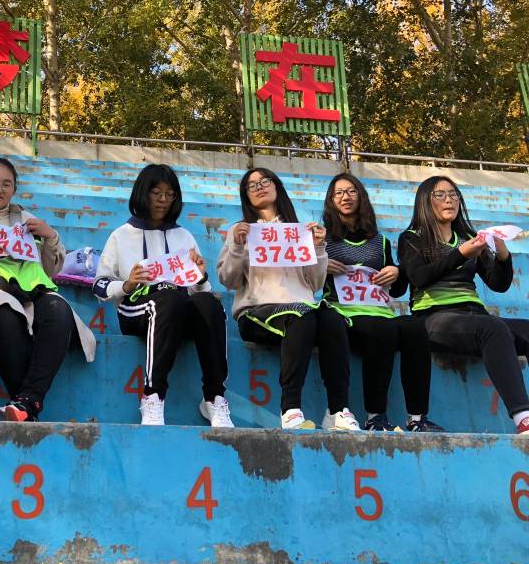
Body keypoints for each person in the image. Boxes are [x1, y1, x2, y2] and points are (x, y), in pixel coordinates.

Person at [217, 167, 358, 431]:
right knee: (301, 316)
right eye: (252, 185)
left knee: (332, 318)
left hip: (301, 308)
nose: (259, 187)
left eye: (265, 181)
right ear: (246, 196)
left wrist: (319, 248)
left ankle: (338, 410)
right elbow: (228, 280)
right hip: (256, 311)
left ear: (277, 186)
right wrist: (237, 245)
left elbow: (315, 283)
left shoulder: (298, 231)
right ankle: (290, 409)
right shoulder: (241, 230)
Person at [0, 158, 95, 422]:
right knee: (3, 308)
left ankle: (27, 402)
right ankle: (27, 404)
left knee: (58, 308)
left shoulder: (27, 220)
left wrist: (50, 236)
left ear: (14, 190)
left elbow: (50, 271)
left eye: (7, 184)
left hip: (29, 292)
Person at [93, 164, 232, 427]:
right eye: (156, 193)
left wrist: (200, 276)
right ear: (142, 193)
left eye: (169, 194)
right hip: (137, 309)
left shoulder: (184, 235)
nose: (163, 200)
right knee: (167, 296)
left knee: (209, 303)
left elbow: (199, 291)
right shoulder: (121, 235)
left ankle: (214, 398)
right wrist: (127, 285)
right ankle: (153, 395)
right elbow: (99, 285)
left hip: (177, 308)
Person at [399, 175, 529, 435]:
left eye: (453, 194)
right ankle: (523, 417)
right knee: (492, 328)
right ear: (425, 201)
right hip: (435, 317)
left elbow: (498, 284)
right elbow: (419, 277)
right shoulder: (412, 238)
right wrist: (460, 254)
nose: (449, 200)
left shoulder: (467, 236)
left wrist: (503, 257)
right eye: (440, 195)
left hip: (473, 315)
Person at [321, 173, 443, 431]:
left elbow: (396, 290)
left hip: (378, 310)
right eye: (338, 193)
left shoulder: (381, 241)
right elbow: (309, 281)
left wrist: (397, 272)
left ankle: (417, 418)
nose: (345, 197)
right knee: (383, 328)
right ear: (331, 200)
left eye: (351, 191)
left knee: (414, 327)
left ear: (361, 196)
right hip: (342, 313)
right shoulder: (323, 240)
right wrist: (320, 265)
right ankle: (375, 416)